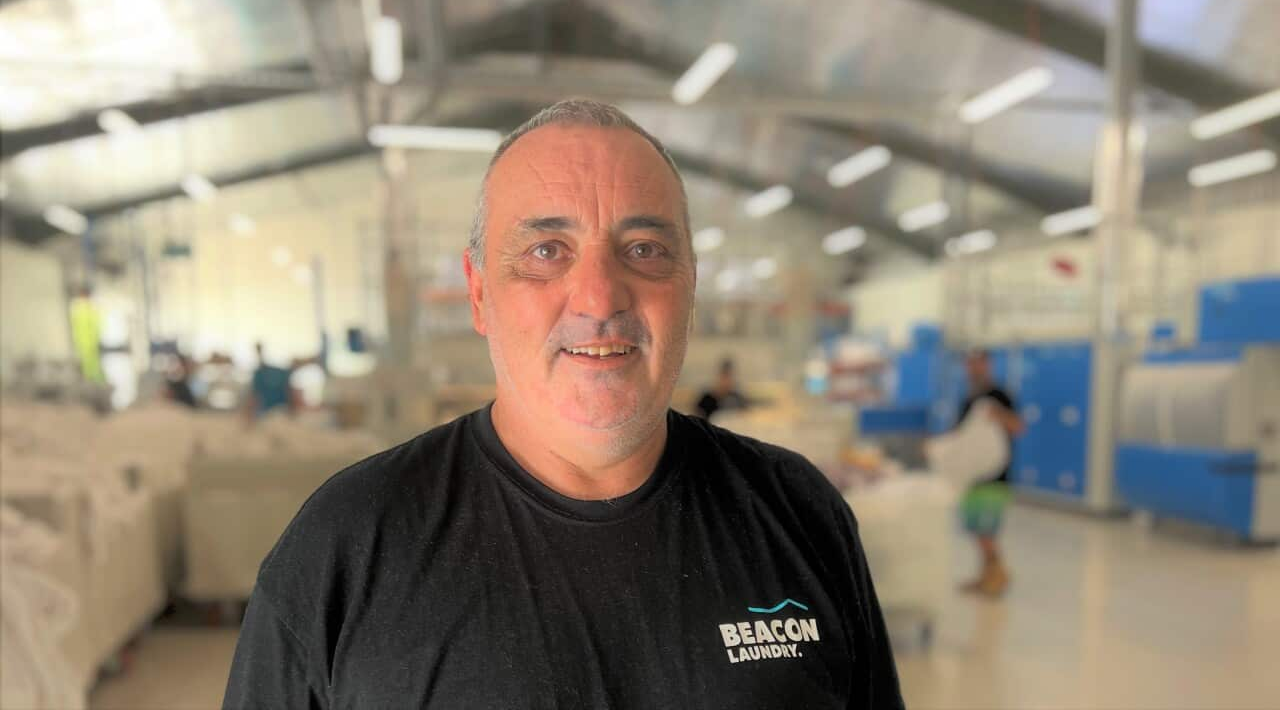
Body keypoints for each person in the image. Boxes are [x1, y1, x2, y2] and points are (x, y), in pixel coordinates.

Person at [224, 100, 902, 709]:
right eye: (548, 251)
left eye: (644, 249)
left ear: (689, 282)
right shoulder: (344, 547)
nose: (600, 297)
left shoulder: (798, 514)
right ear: (480, 291)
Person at [956, 348, 1024, 597]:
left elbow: (1018, 426)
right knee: (976, 528)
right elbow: (961, 437)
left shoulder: (999, 395)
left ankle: (998, 575)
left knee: (987, 531)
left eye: (978, 363)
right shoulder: (967, 399)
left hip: (994, 477)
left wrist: (999, 415)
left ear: (988, 365)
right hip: (972, 477)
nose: (973, 368)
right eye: (969, 363)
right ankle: (985, 577)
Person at [243, 342, 293, 422]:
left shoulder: (271, 373)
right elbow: (254, 396)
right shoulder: (260, 374)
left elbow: (253, 396)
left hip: (276, 411)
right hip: (268, 411)